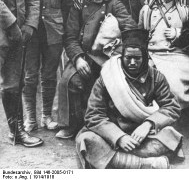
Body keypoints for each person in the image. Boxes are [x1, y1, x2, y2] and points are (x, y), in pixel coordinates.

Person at [76, 29, 182, 169]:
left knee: (170, 135)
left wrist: (148, 124)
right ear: (122, 56)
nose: (132, 62)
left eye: (137, 58)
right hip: (112, 134)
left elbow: (171, 107)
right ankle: (145, 164)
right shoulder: (108, 76)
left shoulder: (156, 77)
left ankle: (117, 161)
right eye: (128, 58)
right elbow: (93, 115)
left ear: (145, 58)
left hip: (144, 135)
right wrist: (119, 137)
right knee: (87, 140)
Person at [56, 0, 136, 139]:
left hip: (107, 58)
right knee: (71, 81)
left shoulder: (114, 4)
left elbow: (130, 29)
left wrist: (117, 52)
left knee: (112, 84)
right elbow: (69, 37)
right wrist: (77, 59)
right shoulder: (78, 6)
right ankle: (73, 124)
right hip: (84, 55)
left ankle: (104, 124)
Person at [0, 0, 43, 147]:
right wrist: (13, 24)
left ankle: (16, 132)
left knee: (13, 84)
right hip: (5, 32)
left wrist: (30, 25)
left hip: (19, 35)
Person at [23, 0, 73, 132]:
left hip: (54, 33)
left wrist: (65, 32)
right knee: (30, 76)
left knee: (49, 75)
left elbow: (67, 9)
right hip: (32, 33)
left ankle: (46, 116)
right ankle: (30, 118)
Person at [138, 0, 189, 109]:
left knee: (175, 85)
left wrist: (178, 33)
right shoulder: (147, 9)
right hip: (152, 55)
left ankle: (176, 120)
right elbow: (140, 34)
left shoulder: (185, 8)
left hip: (179, 56)